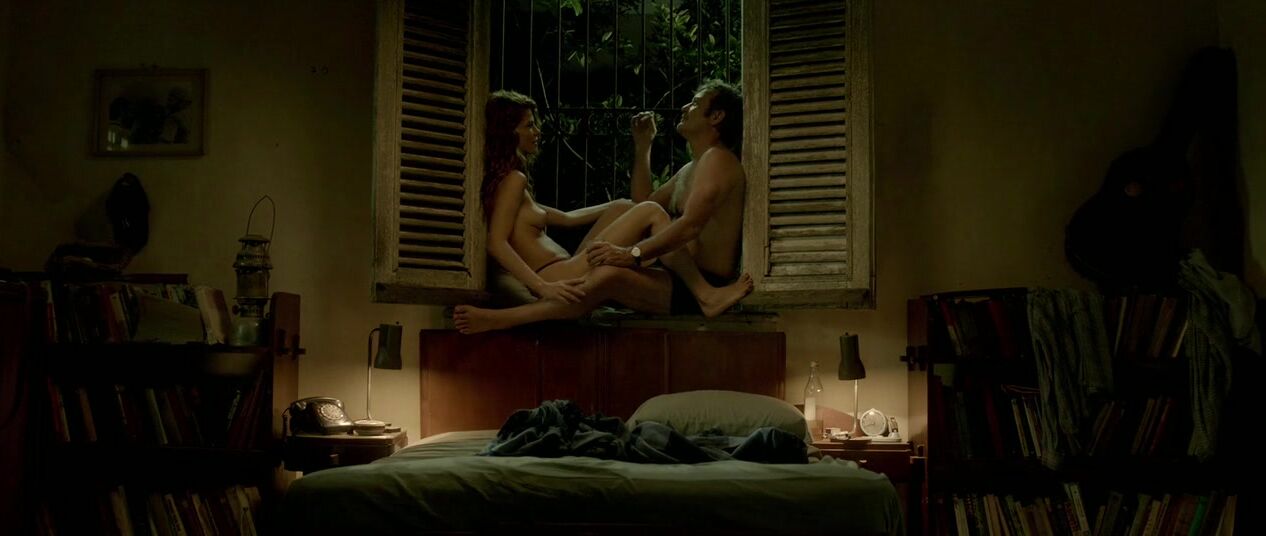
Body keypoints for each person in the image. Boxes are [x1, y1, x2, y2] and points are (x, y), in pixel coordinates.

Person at [455, 90, 684, 333]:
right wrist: (542, 287)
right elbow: (496, 243)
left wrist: (617, 204)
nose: (537, 132)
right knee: (651, 210)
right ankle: (689, 284)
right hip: (557, 275)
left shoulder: (511, 183)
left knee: (624, 207)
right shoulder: (513, 180)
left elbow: (567, 218)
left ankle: (650, 272)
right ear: (509, 132)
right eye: (529, 126)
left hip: (567, 266)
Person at [585, 79, 753, 316]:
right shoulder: (690, 169)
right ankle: (560, 282)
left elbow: (690, 226)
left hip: (703, 282)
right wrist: (644, 145)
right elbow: (643, 204)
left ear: (716, 116)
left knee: (606, 277)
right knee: (620, 210)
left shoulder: (718, 159)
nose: (685, 107)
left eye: (695, 103)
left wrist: (630, 254)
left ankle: (709, 298)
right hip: (673, 276)